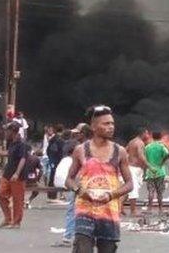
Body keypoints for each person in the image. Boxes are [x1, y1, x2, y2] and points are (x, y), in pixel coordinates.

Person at [65, 105, 133, 253]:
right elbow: (69, 180)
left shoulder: (120, 152)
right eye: (106, 123)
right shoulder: (81, 150)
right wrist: (80, 190)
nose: (111, 127)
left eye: (112, 123)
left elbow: (129, 184)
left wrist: (111, 195)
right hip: (85, 212)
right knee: (83, 250)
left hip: (109, 214)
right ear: (94, 127)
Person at [0, 122, 29, 229]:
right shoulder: (12, 143)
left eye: (7, 130)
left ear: (13, 131)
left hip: (17, 175)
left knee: (17, 199)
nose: (6, 133)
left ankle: (16, 222)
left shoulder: (22, 144)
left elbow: (23, 159)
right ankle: (8, 218)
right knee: (1, 195)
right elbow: (8, 154)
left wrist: (17, 173)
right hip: (7, 173)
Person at [143, 131, 169, 215]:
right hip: (160, 171)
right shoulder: (161, 146)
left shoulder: (147, 147)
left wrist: (144, 172)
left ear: (152, 137)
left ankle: (149, 209)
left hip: (150, 171)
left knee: (150, 191)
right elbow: (167, 154)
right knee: (159, 192)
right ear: (161, 137)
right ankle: (160, 209)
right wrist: (162, 162)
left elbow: (144, 159)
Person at [124, 129, 150, 217]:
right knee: (133, 189)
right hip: (134, 169)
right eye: (146, 133)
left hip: (133, 168)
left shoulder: (132, 141)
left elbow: (125, 150)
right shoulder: (140, 143)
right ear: (143, 133)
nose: (148, 134)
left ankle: (120, 209)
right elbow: (141, 156)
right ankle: (133, 211)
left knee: (129, 189)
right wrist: (149, 166)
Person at [46, 125, 66, 200]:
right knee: (59, 176)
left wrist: (51, 158)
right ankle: (57, 194)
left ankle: (51, 194)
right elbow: (62, 150)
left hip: (53, 159)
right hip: (59, 159)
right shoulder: (61, 140)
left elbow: (48, 150)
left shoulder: (53, 139)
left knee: (52, 176)